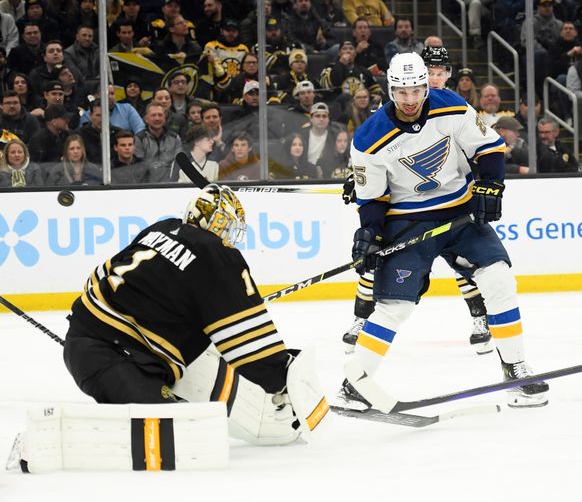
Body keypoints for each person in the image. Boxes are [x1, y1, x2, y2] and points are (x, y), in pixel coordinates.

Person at [339, 52, 549, 410]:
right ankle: (355, 383)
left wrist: (491, 185)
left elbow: (490, 147)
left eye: (417, 90)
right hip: (407, 221)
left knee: (498, 279)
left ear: (426, 86)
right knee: (394, 306)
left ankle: (514, 368)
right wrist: (369, 234)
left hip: (460, 212)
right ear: (390, 90)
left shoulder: (451, 106)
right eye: (402, 92)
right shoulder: (368, 138)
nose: (410, 100)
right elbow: (372, 199)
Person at [61, 183, 326, 446]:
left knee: (183, 416)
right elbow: (247, 341)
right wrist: (280, 375)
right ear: (217, 222)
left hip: (91, 341)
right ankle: (54, 439)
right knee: (182, 435)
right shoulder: (216, 255)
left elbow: (97, 278)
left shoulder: (160, 228)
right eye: (228, 226)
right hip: (114, 357)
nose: (229, 236)